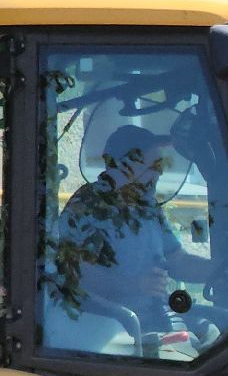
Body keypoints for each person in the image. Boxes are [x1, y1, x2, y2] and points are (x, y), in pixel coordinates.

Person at [44, 123, 216, 357]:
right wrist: (134, 285)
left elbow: (176, 260)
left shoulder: (147, 208)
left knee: (221, 338)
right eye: (153, 166)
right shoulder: (89, 205)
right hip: (110, 327)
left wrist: (219, 270)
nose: (159, 173)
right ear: (124, 166)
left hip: (153, 318)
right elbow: (72, 269)